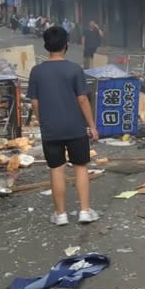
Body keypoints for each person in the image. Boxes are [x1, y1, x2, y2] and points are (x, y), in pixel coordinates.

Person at [28, 26, 100, 226]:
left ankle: (60, 215)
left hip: (51, 129)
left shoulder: (37, 71)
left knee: (56, 169)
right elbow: (83, 100)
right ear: (66, 46)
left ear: (46, 46)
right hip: (75, 127)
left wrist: (42, 120)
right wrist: (92, 126)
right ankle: (84, 211)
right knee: (80, 167)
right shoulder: (74, 69)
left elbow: (34, 102)